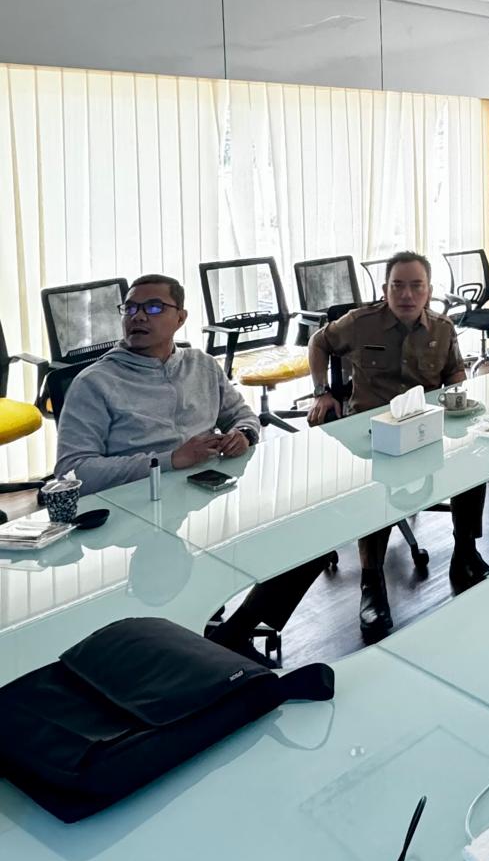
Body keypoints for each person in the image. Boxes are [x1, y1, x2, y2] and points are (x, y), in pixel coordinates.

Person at [54, 274, 327, 666]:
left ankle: (236, 632)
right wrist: (168, 461)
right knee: (168, 584)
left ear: (180, 318)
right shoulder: (95, 383)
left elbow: (243, 414)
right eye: (130, 308)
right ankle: (195, 651)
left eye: (152, 308)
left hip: (206, 503)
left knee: (312, 536)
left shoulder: (200, 364)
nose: (138, 317)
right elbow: (72, 473)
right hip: (136, 518)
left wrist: (244, 434)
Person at [307, 251, 489, 641]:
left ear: (428, 290)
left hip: (426, 428)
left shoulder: (442, 328)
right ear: (385, 288)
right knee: (375, 489)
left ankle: (465, 553)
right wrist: (322, 391)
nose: (406, 294)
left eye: (416, 286)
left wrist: (460, 392)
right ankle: (371, 584)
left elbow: (454, 371)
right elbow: (317, 342)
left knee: (473, 461)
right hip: (371, 433)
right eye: (398, 286)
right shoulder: (360, 323)